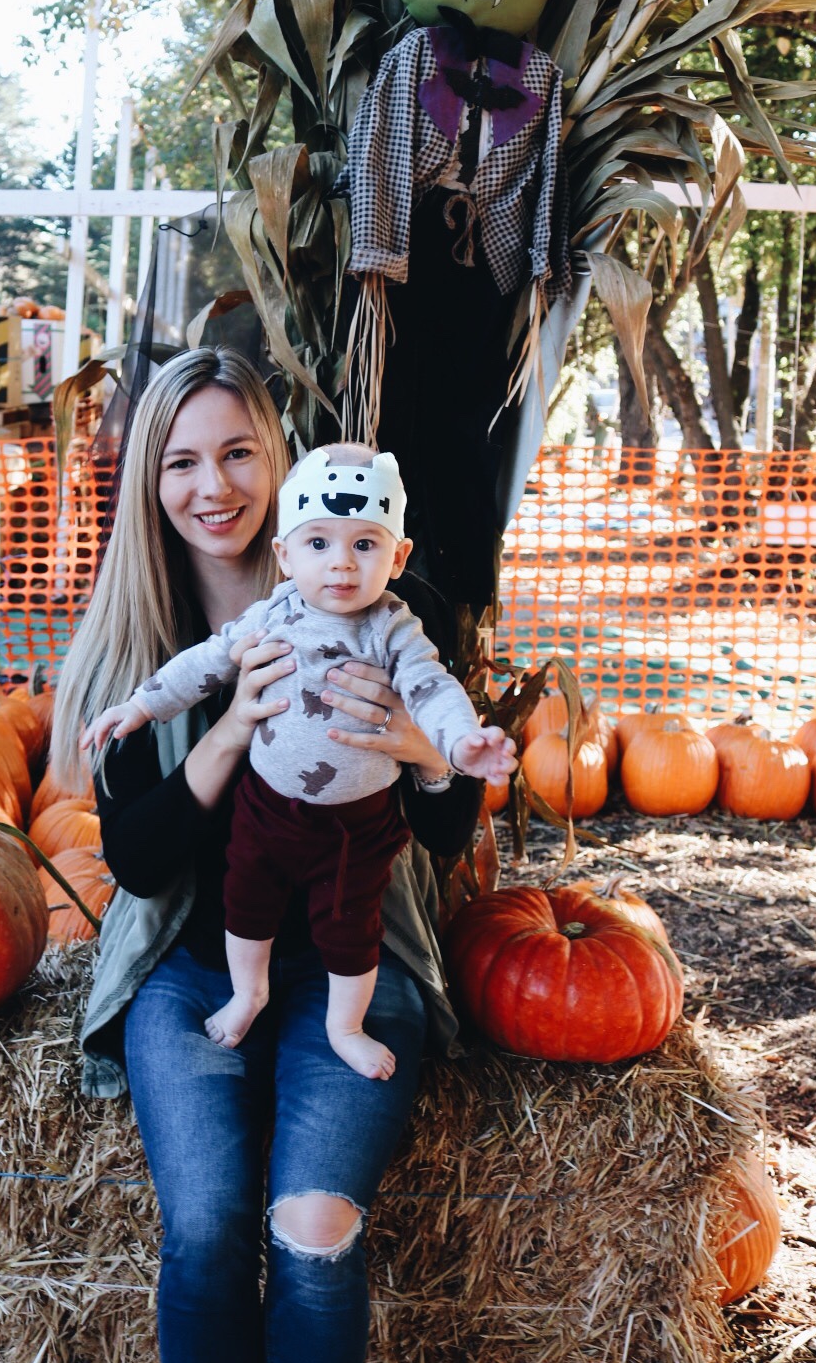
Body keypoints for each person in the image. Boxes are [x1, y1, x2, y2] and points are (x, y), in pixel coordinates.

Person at [51, 348, 481, 1363]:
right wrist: (234, 722)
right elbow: (137, 863)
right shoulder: (141, 645)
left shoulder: (382, 594)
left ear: (282, 466)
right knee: (204, 1229)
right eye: (181, 462)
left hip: (352, 963)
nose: (213, 486)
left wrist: (424, 752)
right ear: (150, 483)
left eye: (238, 452)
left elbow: (445, 834)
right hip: (193, 972)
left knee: (311, 1227)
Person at [83, 443, 514, 1080]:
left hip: (355, 827)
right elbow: (204, 664)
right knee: (246, 903)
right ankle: (248, 994)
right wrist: (141, 705)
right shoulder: (273, 615)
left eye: (364, 545)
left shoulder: (395, 628)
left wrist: (457, 744)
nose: (341, 562)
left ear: (398, 558)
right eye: (318, 544)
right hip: (265, 809)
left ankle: (345, 1026)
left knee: (351, 928)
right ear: (285, 556)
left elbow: (433, 689)